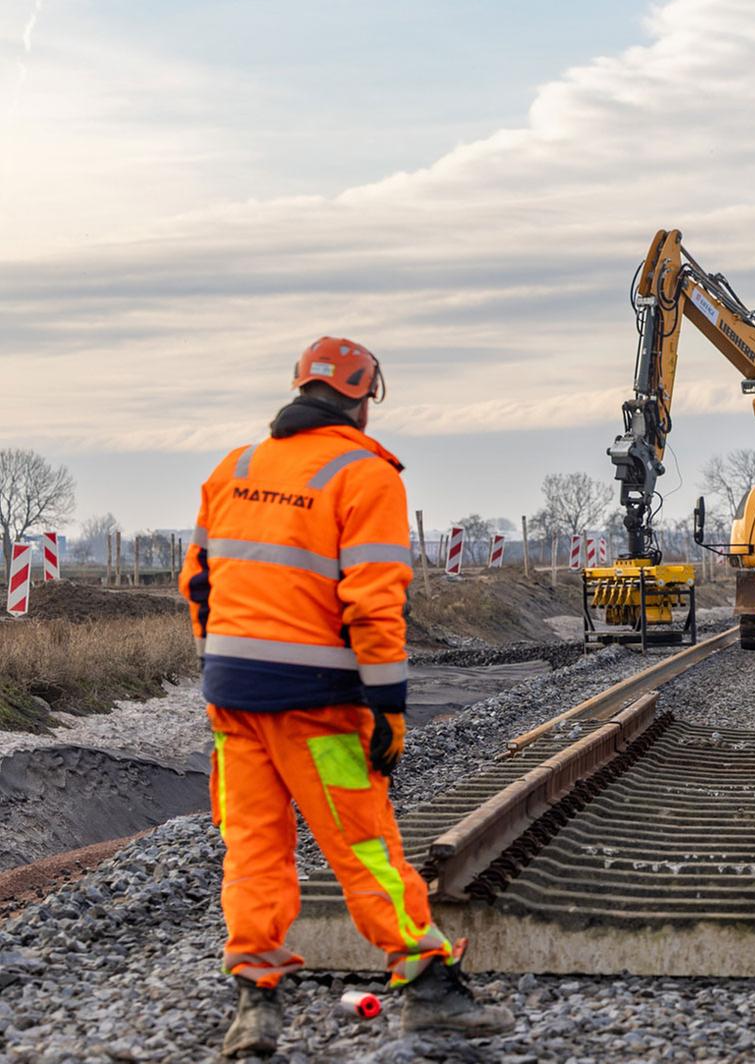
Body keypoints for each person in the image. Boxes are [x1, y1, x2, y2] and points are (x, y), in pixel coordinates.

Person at [181, 338, 512, 1058]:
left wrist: (220, 674)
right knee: (364, 847)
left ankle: (255, 1004)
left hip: (233, 705)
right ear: (364, 396)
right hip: (316, 706)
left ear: (301, 387)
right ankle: (428, 988)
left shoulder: (234, 467)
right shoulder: (366, 475)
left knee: (253, 852)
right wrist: (389, 706)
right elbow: (372, 603)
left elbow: (199, 585)